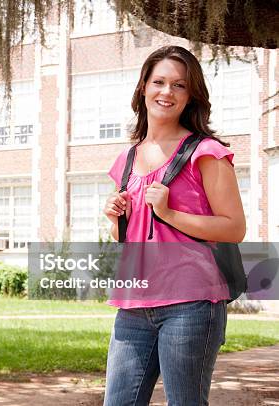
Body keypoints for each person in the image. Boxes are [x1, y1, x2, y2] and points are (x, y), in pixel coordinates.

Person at [102, 45, 246, 405]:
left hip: (192, 303)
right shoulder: (127, 157)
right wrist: (114, 218)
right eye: (159, 82)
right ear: (143, 88)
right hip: (134, 302)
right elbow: (129, 236)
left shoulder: (206, 152)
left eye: (179, 85)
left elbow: (234, 228)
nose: (167, 92)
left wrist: (170, 213)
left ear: (191, 95)